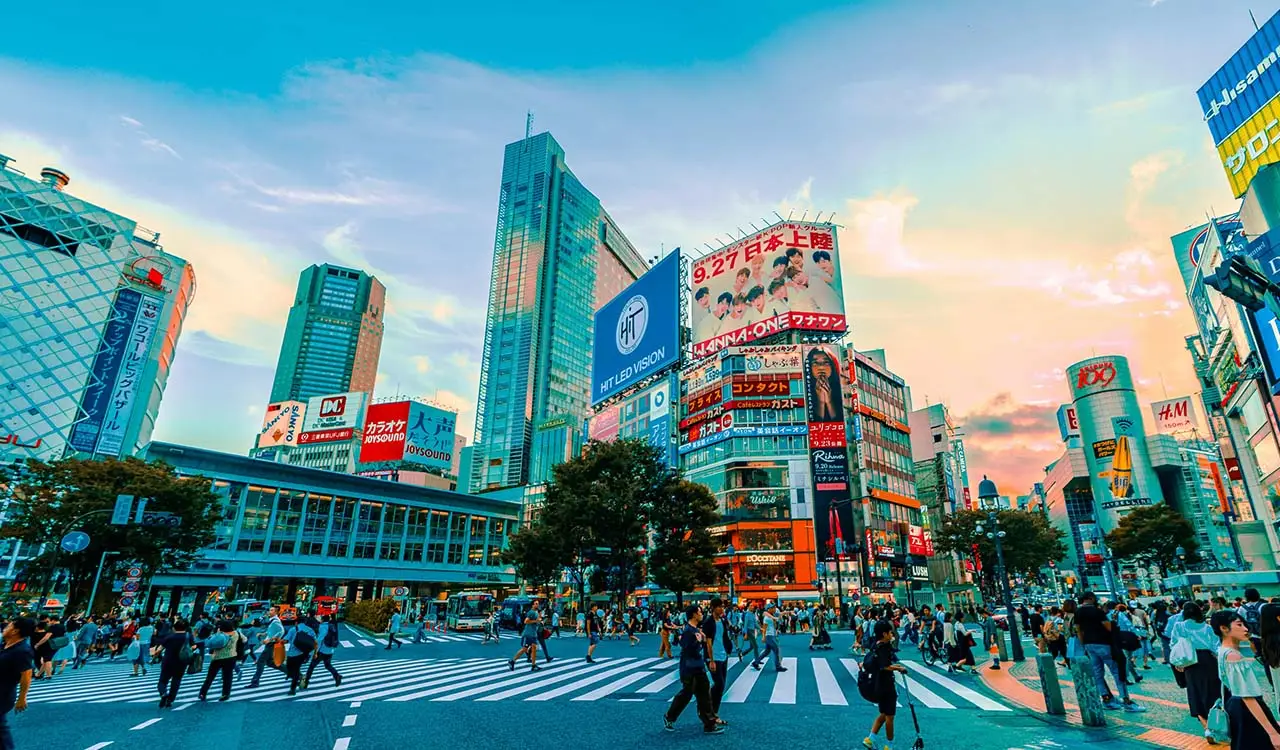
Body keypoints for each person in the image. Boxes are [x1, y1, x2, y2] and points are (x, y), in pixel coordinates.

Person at [1213, 610, 1280, 749]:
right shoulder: (1233, 656)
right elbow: (1247, 696)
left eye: (1244, 624)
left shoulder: (1222, 651)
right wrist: (1272, 732)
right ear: (1224, 628)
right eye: (1239, 625)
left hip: (1235, 707)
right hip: (1248, 711)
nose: (1245, 629)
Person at [1075, 592, 1145, 713]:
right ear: (1091, 598)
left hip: (1089, 645)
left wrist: (1084, 645)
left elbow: (1078, 630)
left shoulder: (1078, 612)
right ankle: (1126, 701)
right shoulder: (1097, 611)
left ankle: (1107, 700)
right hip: (1104, 644)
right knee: (1117, 672)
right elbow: (1108, 627)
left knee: (1097, 673)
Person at [663, 605, 723, 735]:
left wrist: (701, 640)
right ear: (694, 614)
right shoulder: (688, 630)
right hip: (689, 667)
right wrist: (699, 641)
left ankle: (709, 724)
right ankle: (670, 716)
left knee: (704, 694)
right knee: (687, 694)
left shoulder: (695, 629)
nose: (702, 614)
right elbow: (686, 648)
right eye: (700, 612)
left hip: (698, 666)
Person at [1170, 602, 1222, 742]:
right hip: (1208, 661)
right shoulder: (1207, 627)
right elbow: (1215, 646)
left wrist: (1178, 663)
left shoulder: (1179, 626)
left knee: (1195, 694)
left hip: (1190, 662)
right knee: (1213, 693)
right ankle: (1217, 723)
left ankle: (1207, 728)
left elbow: (1174, 644)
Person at [864, 619, 908, 750]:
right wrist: (899, 668)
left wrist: (895, 666)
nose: (892, 634)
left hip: (878, 684)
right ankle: (889, 745)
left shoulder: (875, 645)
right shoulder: (883, 647)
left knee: (884, 713)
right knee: (890, 717)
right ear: (884, 634)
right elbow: (884, 666)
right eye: (890, 632)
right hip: (886, 685)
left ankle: (870, 739)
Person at [0, 618, 33, 750]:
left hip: (3, 694)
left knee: (1, 729)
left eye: (9, 626)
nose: (5, 628)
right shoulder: (5, 645)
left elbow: (26, 675)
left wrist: (22, 698)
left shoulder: (22, 651)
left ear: (15, 631)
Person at [701, 598, 732, 725]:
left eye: (722, 607)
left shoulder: (722, 621)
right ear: (713, 608)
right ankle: (710, 712)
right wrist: (711, 660)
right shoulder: (708, 622)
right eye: (719, 606)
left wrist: (728, 649)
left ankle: (711, 711)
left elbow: (724, 636)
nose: (721, 609)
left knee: (721, 685)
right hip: (714, 657)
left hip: (723, 655)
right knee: (719, 684)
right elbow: (708, 643)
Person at [198, 619, 243, 702]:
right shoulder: (237, 633)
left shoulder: (220, 635)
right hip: (231, 657)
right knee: (227, 676)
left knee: (210, 676)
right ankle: (225, 694)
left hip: (217, 658)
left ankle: (203, 693)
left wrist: (217, 633)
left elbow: (210, 643)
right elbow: (245, 640)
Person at [156, 619, 192, 709]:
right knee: (176, 681)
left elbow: (160, 649)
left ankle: (163, 693)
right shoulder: (188, 636)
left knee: (162, 681)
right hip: (181, 662)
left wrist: (155, 654)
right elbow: (194, 646)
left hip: (168, 661)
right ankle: (170, 700)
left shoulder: (169, 636)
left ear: (174, 627)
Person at [247, 606, 286, 688]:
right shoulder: (272, 621)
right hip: (270, 644)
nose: (269, 611)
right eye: (269, 610)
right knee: (271, 663)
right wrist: (263, 634)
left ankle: (255, 682)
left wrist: (270, 640)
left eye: (272, 610)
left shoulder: (275, 621)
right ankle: (294, 674)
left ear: (276, 612)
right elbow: (271, 631)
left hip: (271, 644)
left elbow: (281, 631)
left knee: (260, 662)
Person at [305, 614, 343, 689]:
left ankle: (306, 681)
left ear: (322, 620)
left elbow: (319, 640)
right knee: (328, 665)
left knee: (311, 666)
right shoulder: (332, 626)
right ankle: (337, 676)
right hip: (330, 650)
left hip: (322, 651)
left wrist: (315, 652)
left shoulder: (322, 627)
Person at [284, 615, 318, 696]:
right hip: (304, 654)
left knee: (291, 669)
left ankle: (293, 689)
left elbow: (285, 640)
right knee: (295, 670)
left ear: (296, 622)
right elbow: (315, 643)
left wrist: (279, 641)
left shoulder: (293, 629)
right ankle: (300, 677)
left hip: (292, 653)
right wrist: (315, 653)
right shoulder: (310, 630)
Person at [507, 600, 543, 672]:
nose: (537, 605)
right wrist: (536, 621)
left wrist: (539, 619)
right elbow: (526, 621)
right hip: (528, 634)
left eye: (538, 604)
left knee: (533, 649)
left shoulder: (536, 612)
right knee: (525, 649)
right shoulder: (531, 612)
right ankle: (512, 661)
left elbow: (537, 620)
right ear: (532, 605)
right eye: (536, 604)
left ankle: (533, 665)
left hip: (533, 634)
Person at [752, 603, 787, 672]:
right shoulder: (767, 618)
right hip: (769, 636)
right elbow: (764, 628)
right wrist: (763, 637)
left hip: (771, 635)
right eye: (772, 608)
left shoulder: (771, 615)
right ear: (769, 609)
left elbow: (777, 619)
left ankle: (756, 662)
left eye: (774, 607)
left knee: (767, 651)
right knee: (776, 650)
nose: (774, 609)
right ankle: (778, 666)